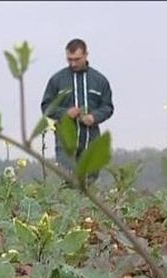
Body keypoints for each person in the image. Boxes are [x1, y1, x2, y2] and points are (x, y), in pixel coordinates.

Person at [40, 38, 114, 183]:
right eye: (69, 59)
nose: (73, 63)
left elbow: (108, 107)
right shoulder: (57, 80)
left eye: (77, 59)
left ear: (86, 55)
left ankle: (86, 205)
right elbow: (46, 107)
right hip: (65, 137)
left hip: (90, 135)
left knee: (90, 178)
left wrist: (94, 117)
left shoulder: (100, 80)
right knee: (67, 176)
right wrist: (65, 113)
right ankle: (68, 203)